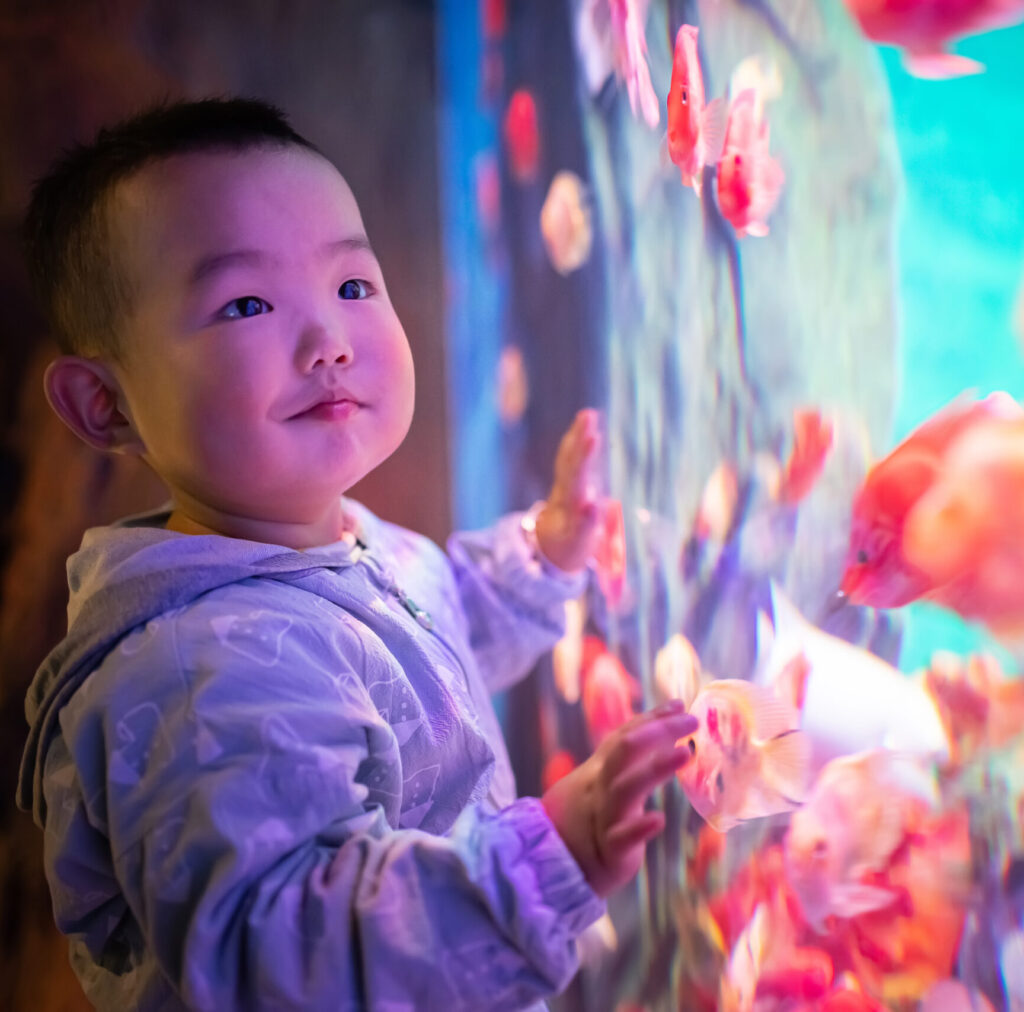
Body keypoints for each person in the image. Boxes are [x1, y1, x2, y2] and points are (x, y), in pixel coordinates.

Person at [15, 97, 697, 1012]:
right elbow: (289, 959)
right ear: (106, 405)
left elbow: (424, 629)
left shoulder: (326, 543)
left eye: (352, 287)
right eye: (247, 304)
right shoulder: (205, 678)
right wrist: (539, 865)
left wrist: (541, 552)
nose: (329, 343)